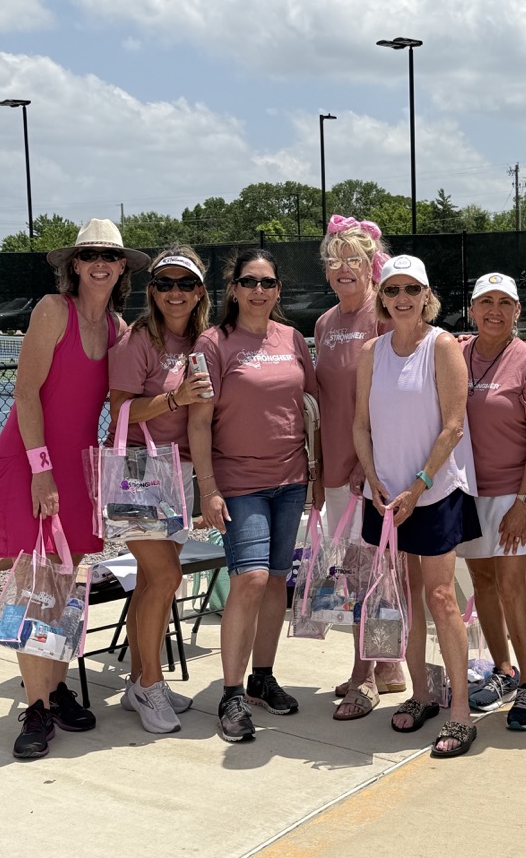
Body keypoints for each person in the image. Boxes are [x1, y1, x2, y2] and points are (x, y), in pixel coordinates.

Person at [0, 218, 147, 759]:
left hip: (78, 471)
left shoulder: (119, 329)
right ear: (75, 264)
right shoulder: (53, 311)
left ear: (122, 267)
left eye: (110, 256)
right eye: (90, 255)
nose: (100, 264)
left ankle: (53, 692)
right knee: (35, 587)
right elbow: (25, 393)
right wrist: (42, 469)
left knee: (62, 587)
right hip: (34, 464)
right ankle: (35, 709)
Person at [189, 248, 319, 743]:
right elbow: (199, 421)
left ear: (278, 290)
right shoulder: (213, 343)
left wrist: (318, 474)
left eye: (267, 282)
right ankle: (231, 693)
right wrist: (208, 489)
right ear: (234, 289)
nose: (258, 290)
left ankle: (262, 678)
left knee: (277, 580)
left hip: (291, 481)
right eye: (249, 281)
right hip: (239, 483)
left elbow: (311, 405)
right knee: (251, 579)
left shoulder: (292, 339)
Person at [353, 255, 481, 758]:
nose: (402, 298)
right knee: (403, 598)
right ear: (382, 297)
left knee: (441, 597)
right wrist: (373, 480)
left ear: (427, 296)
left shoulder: (443, 346)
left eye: (412, 289)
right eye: (392, 290)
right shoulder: (371, 352)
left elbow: (454, 425)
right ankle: (422, 694)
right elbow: (360, 425)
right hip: (386, 498)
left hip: (434, 493)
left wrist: (420, 483)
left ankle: (461, 711)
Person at [107, 247, 213, 734]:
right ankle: (152, 683)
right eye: (165, 283)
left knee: (152, 583)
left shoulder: (201, 340)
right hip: (138, 470)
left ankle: (138, 683)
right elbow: (120, 412)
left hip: (178, 473)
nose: (175, 292)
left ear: (199, 291)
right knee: (167, 577)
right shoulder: (138, 339)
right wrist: (174, 398)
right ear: (152, 291)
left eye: (185, 284)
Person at [313, 215, 408, 722]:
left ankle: (363, 675)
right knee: (362, 571)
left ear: (372, 264)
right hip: (334, 468)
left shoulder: (383, 316)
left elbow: (394, 395)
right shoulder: (325, 323)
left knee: (366, 573)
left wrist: (368, 463)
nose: (343, 268)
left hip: (370, 471)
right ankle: (389, 666)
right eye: (335, 260)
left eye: (354, 258)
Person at [459, 272, 526, 731]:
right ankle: (503, 671)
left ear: (517, 311)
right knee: (482, 582)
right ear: (472, 309)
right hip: (467, 492)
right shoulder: (456, 353)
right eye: (485, 302)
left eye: (503, 302)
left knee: (512, 584)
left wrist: (524, 502)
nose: (493, 311)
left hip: (516, 493)